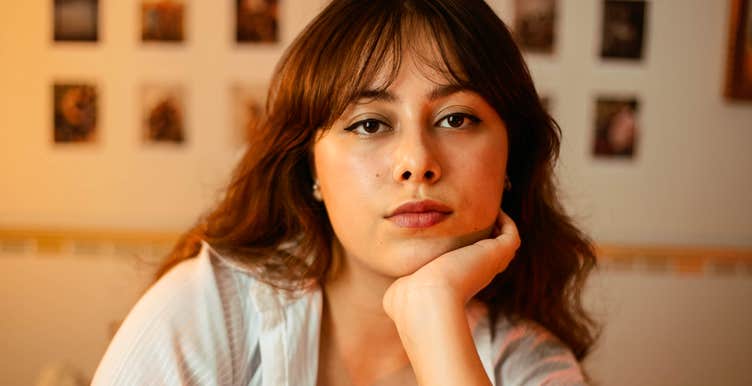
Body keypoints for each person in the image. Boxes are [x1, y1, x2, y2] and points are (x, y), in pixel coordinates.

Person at [92, 0, 599, 385]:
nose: (417, 162)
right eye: (370, 124)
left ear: (511, 157)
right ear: (310, 167)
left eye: (456, 119)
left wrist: (434, 314)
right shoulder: (208, 314)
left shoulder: (531, 365)